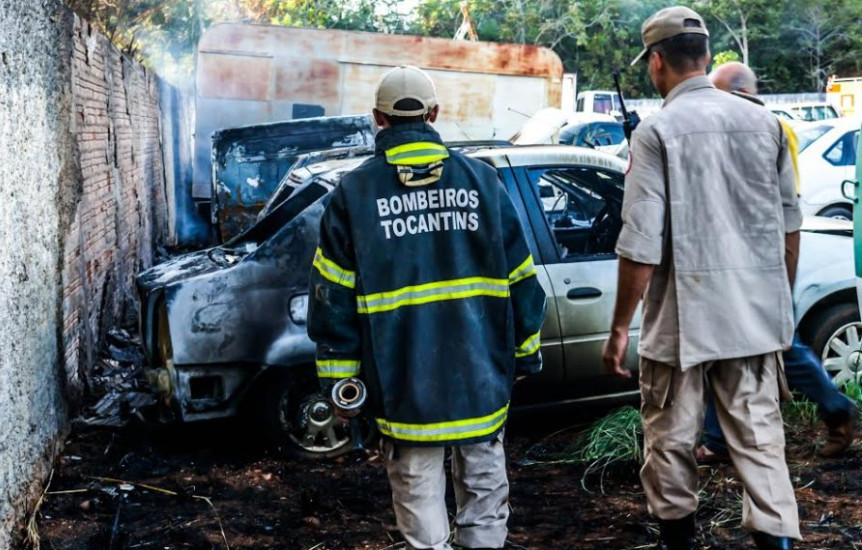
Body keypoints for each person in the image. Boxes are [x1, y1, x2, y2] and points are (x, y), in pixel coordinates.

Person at [306, 66, 546, 550]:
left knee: (418, 500)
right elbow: (523, 280)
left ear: (378, 118)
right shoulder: (483, 181)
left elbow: (331, 299)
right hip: (480, 381)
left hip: (403, 389)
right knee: (484, 490)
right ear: (435, 114)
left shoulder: (353, 195)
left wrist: (340, 383)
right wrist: (525, 355)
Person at [601, 7, 802, 550]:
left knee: (669, 440)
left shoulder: (657, 131)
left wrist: (620, 328)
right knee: (760, 441)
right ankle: (775, 541)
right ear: (708, 56)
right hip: (752, 315)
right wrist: (777, 303)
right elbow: (790, 227)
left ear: (657, 62)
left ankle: (678, 542)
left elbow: (640, 243)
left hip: (681, 322)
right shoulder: (768, 124)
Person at [699, 62, 858, 461]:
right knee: (737, 346)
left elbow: (786, 208)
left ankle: (836, 408)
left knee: (774, 344)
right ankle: (718, 436)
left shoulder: (767, 129)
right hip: (748, 256)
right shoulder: (750, 127)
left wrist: (783, 273)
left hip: (758, 258)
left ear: (736, 93)